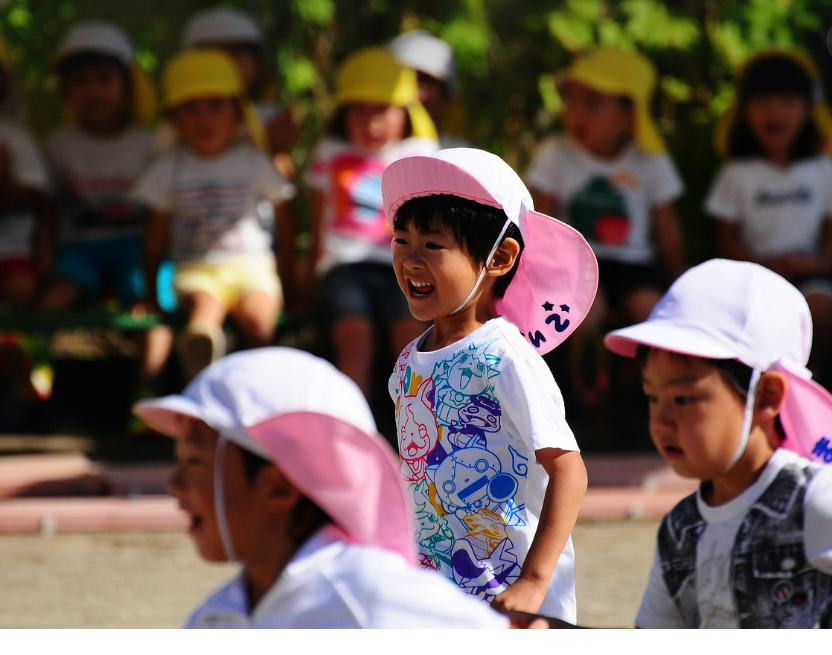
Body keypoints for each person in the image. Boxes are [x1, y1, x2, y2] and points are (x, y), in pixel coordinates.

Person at [132, 346, 510, 628]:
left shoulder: (369, 591)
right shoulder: (216, 618)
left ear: (278, 489)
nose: (174, 485)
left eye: (195, 462)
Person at [382, 147, 599, 623]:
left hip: (515, 606)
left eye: (433, 246)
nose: (411, 260)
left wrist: (534, 582)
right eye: (401, 240)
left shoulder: (504, 356)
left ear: (499, 257)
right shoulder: (406, 363)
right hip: (441, 605)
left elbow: (568, 470)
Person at [604, 258, 832, 628]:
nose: (661, 422)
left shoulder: (816, 502)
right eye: (651, 397)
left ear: (766, 396)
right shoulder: (681, 529)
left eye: (683, 399)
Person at [526, 48, 686, 423]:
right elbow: (540, 221)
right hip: (577, 262)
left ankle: (641, 394)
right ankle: (586, 399)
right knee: (586, 310)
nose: (576, 113)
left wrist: (680, 282)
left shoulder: (650, 159)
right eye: (571, 101)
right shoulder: (554, 154)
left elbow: (667, 230)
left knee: (651, 311)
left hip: (633, 263)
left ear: (630, 114)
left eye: (593, 103)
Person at [133, 49, 296, 382]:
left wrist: (289, 278)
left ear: (237, 112)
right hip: (196, 269)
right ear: (174, 117)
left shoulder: (253, 161)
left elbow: (285, 224)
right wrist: (149, 293)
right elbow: (154, 236)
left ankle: (257, 390)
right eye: (190, 108)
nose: (204, 118)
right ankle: (203, 361)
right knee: (204, 309)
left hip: (253, 267)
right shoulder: (167, 168)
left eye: (215, 105)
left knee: (260, 320)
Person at [306, 45, 438, 400]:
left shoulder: (421, 153)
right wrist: (306, 271)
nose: (372, 122)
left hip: (405, 263)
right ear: (342, 113)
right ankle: (354, 429)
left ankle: (419, 429)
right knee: (354, 338)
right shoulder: (330, 152)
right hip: (344, 266)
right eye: (359, 111)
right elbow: (319, 215)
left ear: (405, 111)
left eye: (382, 110)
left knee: (411, 342)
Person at [706, 49, 832, 384]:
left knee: (820, 306)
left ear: (808, 111)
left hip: (811, 277)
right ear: (743, 111)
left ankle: (806, 379)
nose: (775, 113)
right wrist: (762, 264)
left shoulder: (822, 169)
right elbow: (725, 238)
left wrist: (818, 264)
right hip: (754, 280)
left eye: (788, 103)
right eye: (763, 103)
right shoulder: (736, 173)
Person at [179, 5, 299, 178]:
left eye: (236, 52)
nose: (226, 63)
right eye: (212, 54)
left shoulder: (271, 118)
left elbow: (282, 188)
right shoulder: (179, 117)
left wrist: (278, 149)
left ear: (257, 63)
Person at [0, 31, 51, 309]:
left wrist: (5, 180)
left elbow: (36, 199)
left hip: (11, 249)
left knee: (22, 289)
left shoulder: (16, 136)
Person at [389, 29, 469, 149]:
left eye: (426, 80)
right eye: (407, 77)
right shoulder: (358, 154)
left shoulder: (459, 155)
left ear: (446, 98)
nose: (416, 90)